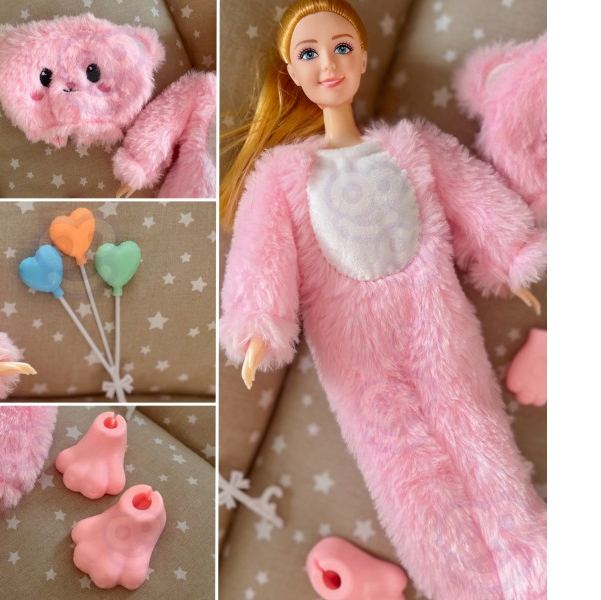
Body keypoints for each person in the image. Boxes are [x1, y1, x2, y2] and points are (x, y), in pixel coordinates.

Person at [219, 1, 547, 598]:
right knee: (404, 468)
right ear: (293, 73)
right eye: (310, 54)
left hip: (434, 317)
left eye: (342, 47)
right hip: (355, 352)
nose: (329, 64)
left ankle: (534, 560)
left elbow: (469, 193)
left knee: (476, 430)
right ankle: (464, 586)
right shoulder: (282, 177)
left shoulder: (409, 146)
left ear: (364, 57)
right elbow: (261, 250)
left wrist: (509, 251)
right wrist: (257, 321)